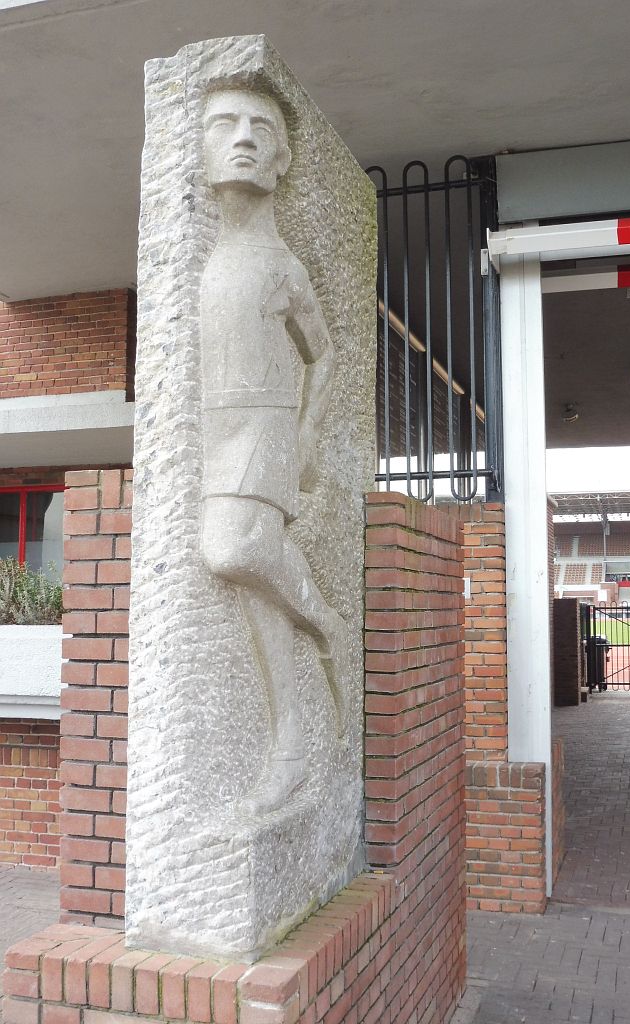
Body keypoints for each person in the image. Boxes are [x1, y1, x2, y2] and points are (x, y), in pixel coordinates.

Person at [199, 86, 348, 814]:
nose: (245, 138)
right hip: (210, 425)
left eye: (262, 126)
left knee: (230, 551)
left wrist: (308, 435)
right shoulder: (202, 255)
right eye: (224, 124)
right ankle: (289, 742)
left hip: (262, 423)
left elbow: (324, 354)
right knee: (251, 587)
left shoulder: (281, 262)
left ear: (284, 159)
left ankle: (321, 613)